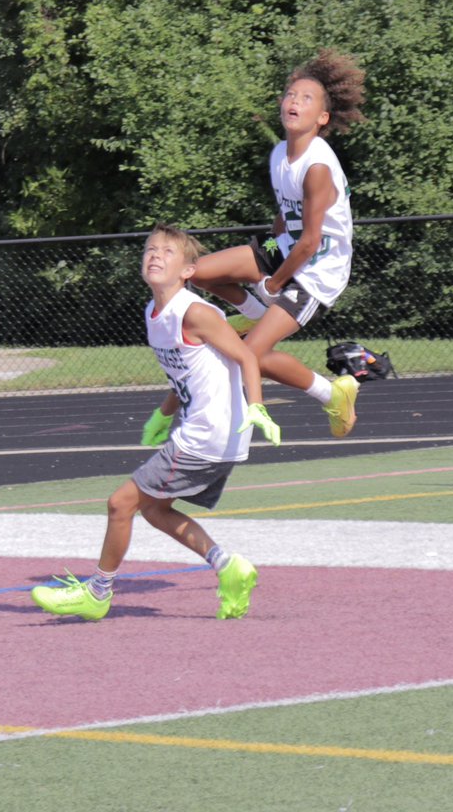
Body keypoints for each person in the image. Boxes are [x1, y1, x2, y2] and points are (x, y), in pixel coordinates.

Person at [31, 223, 281, 623]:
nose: (155, 255)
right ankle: (228, 566)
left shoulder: (196, 311)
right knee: (155, 509)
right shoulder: (154, 313)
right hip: (203, 433)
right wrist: (164, 413)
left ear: (188, 270)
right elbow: (184, 372)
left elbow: (248, 357)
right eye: (150, 249)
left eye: (167, 251)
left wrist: (257, 407)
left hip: (207, 436)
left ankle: (97, 593)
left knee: (120, 504)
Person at [191, 49, 366, 439]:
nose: (294, 102)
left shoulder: (317, 167)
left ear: (322, 118)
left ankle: (333, 394)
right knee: (198, 271)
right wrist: (266, 256)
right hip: (288, 248)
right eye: (290, 94)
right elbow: (285, 218)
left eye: (306, 99)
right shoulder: (278, 154)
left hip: (316, 273)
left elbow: (311, 241)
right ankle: (255, 312)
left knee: (248, 356)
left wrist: (273, 284)